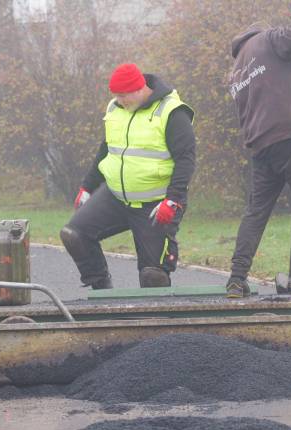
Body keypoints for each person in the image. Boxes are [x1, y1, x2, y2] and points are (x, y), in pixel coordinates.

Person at [225, 0, 291, 297]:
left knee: (256, 212)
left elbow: (278, 91)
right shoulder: (269, 38)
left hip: (261, 148)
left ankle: (236, 279)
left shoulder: (236, 69)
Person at [60, 63, 196, 289]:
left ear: (140, 88)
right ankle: (101, 292)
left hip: (155, 204)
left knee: (153, 276)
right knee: (74, 235)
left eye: (124, 96)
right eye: (116, 96)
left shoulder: (172, 112)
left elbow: (186, 160)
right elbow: (106, 149)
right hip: (115, 197)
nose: (120, 100)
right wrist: (87, 186)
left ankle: (155, 321)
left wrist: (172, 200)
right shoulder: (115, 109)